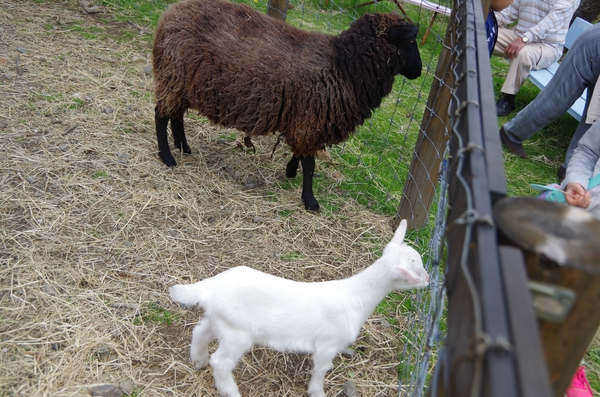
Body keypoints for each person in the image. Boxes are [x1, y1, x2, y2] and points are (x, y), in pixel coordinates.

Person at [499, 23, 600, 182]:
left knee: (595, 120)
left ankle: (572, 170)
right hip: (593, 46)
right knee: (556, 99)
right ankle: (511, 133)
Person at [492, 0, 580, 116]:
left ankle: (507, 99)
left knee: (523, 53)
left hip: (547, 45)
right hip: (519, 37)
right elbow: (510, 12)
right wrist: (487, 23)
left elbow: (549, 23)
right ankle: (469, 73)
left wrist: (524, 39)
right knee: (483, 34)